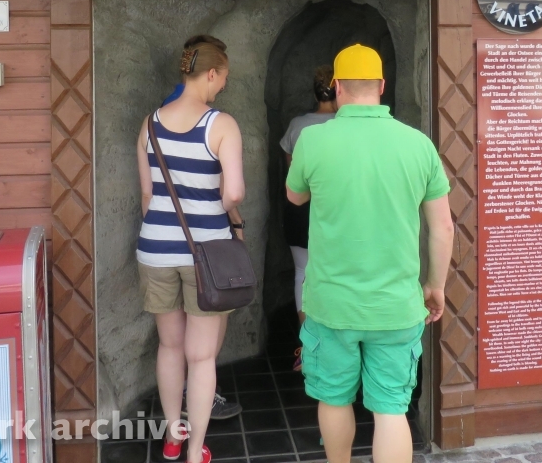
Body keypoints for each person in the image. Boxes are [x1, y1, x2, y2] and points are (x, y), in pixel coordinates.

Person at [286, 45, 454, 463]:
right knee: (391, 409)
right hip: (396, 305)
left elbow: (295, 196)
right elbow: (443, 227)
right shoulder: (418, 144)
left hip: (331, 304)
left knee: (334, 400)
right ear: (381, 85)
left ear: (337, 87)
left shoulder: (312, 139)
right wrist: (435, 286)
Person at [136, 36, 247, 463]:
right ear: (212, 73)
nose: (223, 86)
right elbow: (233, 193)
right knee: (201, 357)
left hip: (156, 249)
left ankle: (172, 437)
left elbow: (147, 196)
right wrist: (227, 214)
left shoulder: (150, 123)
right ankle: (196, 449)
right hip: (207, 254)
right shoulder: (222, 125)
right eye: (224, 78)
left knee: (169, 346)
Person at [279, 65, 336, 371]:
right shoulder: (346, 125)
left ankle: (308, 347)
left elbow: (292, 174)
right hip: (336, 211)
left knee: (303, 273)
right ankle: (337, 349)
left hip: (300, 209)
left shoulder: (298, 125)